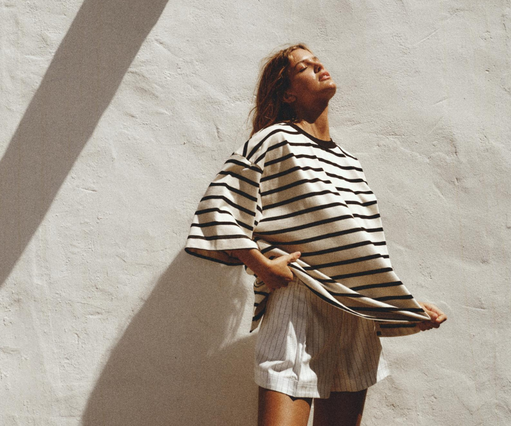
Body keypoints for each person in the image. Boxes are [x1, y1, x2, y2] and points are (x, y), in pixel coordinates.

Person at [185, 43, 447, 426]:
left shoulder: (349, 162)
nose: (319, 67)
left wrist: (399, 306)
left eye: (318, 62)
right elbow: (218, 206)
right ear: (288, 93)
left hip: (354, 318)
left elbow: (359, 248)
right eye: (305, 67)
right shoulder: (274, 140)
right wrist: (261, 266)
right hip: (299, 303)